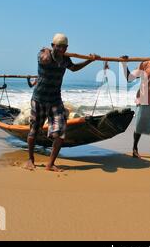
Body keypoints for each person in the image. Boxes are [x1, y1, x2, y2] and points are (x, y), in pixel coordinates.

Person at [24, 33, 100, 172]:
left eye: (64, 47)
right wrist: (50, 52)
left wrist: (90, 60)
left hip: (55, 100)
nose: (61, 49)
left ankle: (50, 164)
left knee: (60, 133)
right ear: (52, 45)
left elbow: (74, 68)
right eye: (58, 46)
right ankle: (30, 159)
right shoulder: (42, 53)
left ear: (67, 48)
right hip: (39, 99)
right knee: (34, 131)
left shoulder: (66, 59)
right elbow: (45, 59)